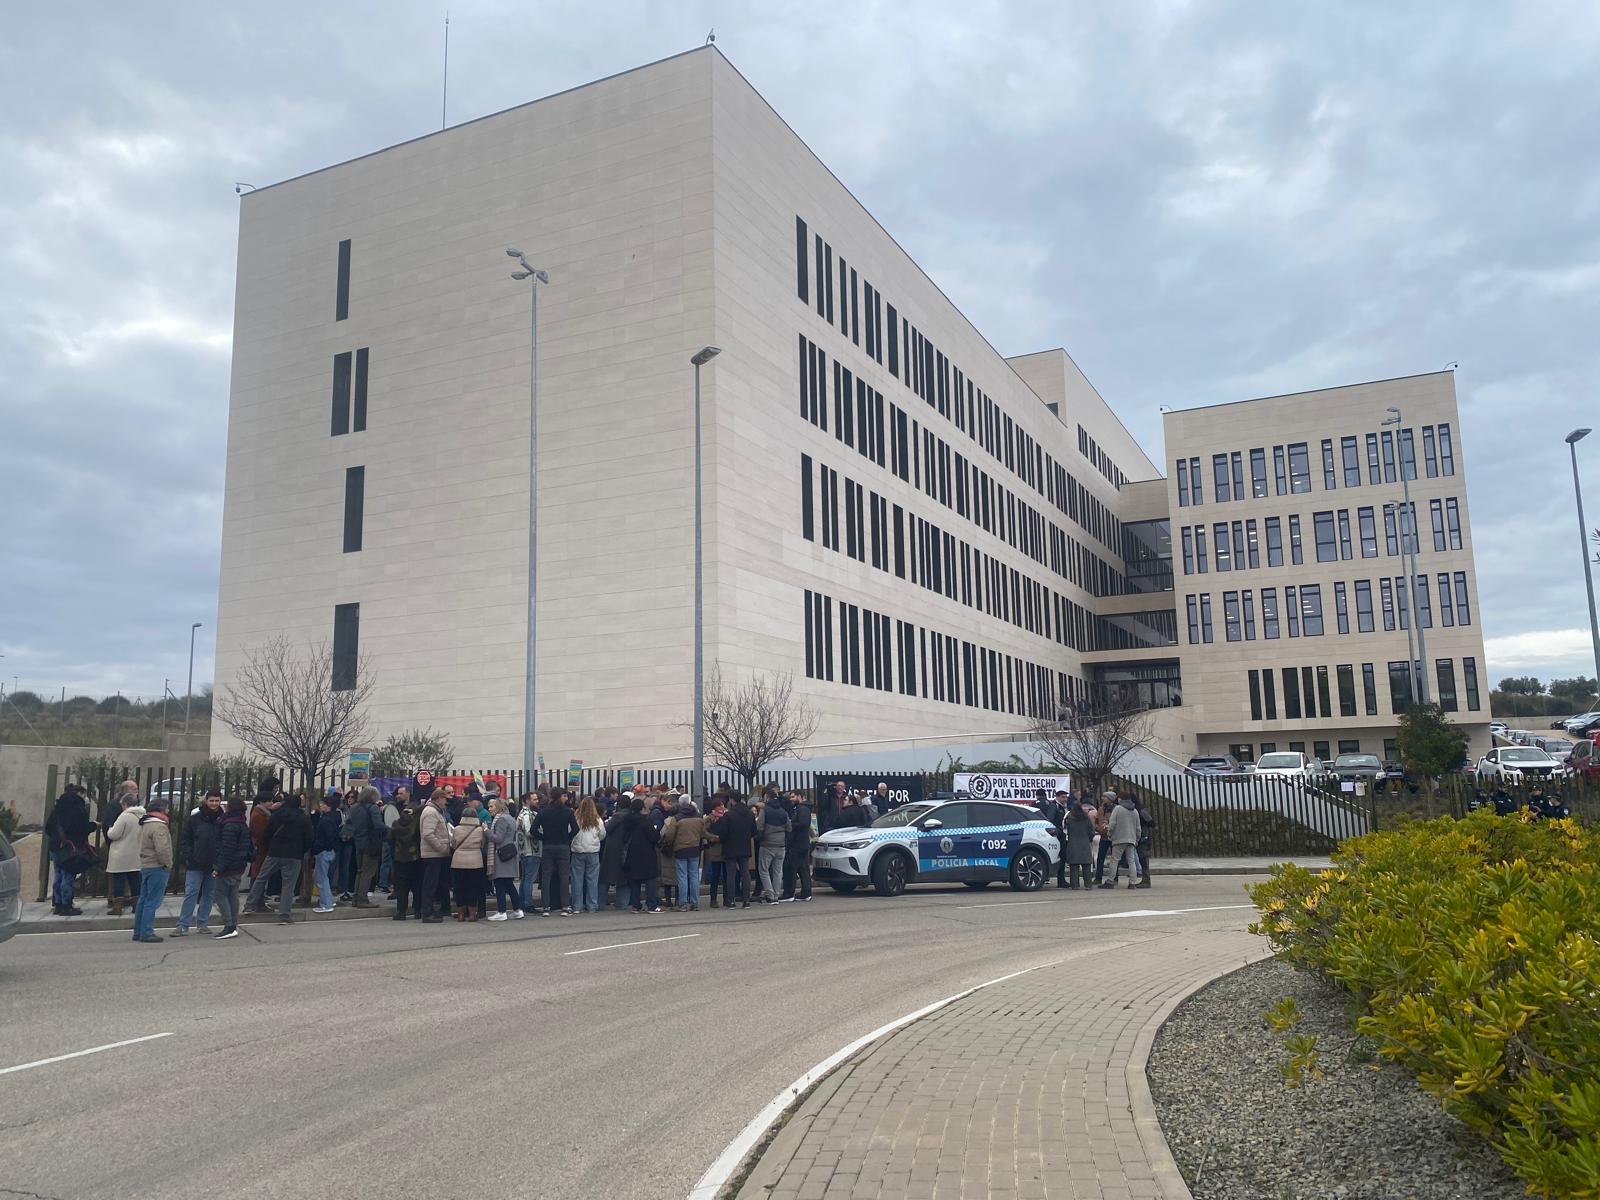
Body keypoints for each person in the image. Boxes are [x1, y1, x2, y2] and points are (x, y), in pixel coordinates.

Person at [246, 792, 312, 924]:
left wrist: (272, 846)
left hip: (274, 852)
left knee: (261, 878)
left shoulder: (276, 816)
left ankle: (250, 905)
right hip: (294, 854)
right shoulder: (304, 818)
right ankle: (284, 915)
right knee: (288, 885)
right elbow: (309, 838)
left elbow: (267, 834)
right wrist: (302, 851)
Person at [173, 787, 224, 936]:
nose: (214, 803)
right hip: (195, 863)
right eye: (211, 800)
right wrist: (190, 855)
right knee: (191, 893)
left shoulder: (223, 819)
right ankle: (183, 925)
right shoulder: (195, 819)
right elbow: (185, 839)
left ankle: (202, 923)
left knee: (209, 894)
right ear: (206, 801)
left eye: (217, 801)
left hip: (214, 864)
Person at [45, 782, 94, 916]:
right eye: (84, 795)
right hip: (70, 847)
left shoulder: (57, 808)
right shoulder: (78, 809)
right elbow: (83, 829)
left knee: (58, 875)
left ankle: (58, 904)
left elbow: (48, 828)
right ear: (80, 794)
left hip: (55, 846)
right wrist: (93, 826)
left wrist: (57, 837)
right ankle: (67, 905)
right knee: (68, 876)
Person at [131, 796, 174, 943]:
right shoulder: (159, 826)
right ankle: (147, 932)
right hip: (157, 866)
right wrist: (167, 864)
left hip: (146, 865)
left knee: (143, 899)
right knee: (153, 901)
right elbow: (162, 849)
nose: (169, 811)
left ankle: (138, 930)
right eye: (167, 808)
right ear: (161, 810)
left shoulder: (145, 824)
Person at [211, 797, 254, 939]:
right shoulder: (242, 823)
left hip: (228, 865)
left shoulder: (229, 824)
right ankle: (233, 924)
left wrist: (219, 867)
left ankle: (229, 925)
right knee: (233, 895)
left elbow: (227, 848)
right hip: (239, 865)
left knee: (220, 895)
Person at [534, 790, 578, 916]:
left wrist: (544, 837)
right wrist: (567, 837)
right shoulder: (568, 812)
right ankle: (565, 906)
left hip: (548, 846)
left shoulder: (543, 812)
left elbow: (533, 829)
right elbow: (575, 829)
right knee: (564, 877)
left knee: (546, 877)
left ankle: (546, 907)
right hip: (563, 846)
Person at [104, 785, 146, 917]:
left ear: (126, 804)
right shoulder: (143, 815)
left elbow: (114, 834)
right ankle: (136, 905)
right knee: (135, 879)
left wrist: (110, 829)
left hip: (121, 853)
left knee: (119, 880)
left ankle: (117, 907)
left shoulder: (124, 816)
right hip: (136, 852)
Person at [711, 794, 757, 910]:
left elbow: (723, 833)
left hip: (731, 847)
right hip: (745, 846)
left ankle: (731, 901)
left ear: (731, 800)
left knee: (731, 874)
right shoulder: (750, 814)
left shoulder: (729, 815)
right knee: (745, 873)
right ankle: (746, 900)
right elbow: (754, 831)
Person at [660, 799, 706, 912]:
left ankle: (683, 903)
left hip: (680, 850)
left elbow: (669, 836)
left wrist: (668, 843)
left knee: (682, 877)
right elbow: (703, 833)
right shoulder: (699, 818)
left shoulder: (677, 818)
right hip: (695, 849)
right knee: (694, 876)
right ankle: (695, 903)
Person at [620, 798, 662, 913]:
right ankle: (652, 905)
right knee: (650, 879)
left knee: (634, 880)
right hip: (646, 853)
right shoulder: (645, 821)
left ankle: (635, 905)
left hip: (632, 853)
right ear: (641, 808)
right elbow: (654, 837)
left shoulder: (627, 821)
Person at [485, 797, 522, 921]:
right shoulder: (510, 817)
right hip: (508, 854)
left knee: (500, 883)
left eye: (492, 806)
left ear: (499, 807)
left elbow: (498, 838)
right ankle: (517, 909)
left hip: (501, 855)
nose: (489, 809)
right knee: (508, 884)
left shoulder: (500, 819)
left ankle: (501, 911)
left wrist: (486, 831)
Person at [418, 790, 453, 923]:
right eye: (444, 799)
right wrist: (441, 847)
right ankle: (427, 912)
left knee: (434, 883)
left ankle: (431, 910)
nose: (446, 802)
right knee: (430, 884)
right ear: (438, 799)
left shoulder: (436, 811)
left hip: (435, 854)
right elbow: (428, 834)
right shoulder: (431, 812)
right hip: (432, 854)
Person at [345, 786, 383, 907]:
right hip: (370, 844)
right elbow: (378, 825)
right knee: (368, 872)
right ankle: (362, 899)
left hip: (358, 843)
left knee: (359, 871)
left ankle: (355, 898)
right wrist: (390, 830)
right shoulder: (373, 808)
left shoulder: (355, 808)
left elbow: (350, 824)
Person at [449, 802, 487, 921]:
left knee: (460, 888)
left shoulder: (457, 829)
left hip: (458, 861)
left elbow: (454, 844)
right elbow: (482, 844)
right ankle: (472, 914)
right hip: (475, 861)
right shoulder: (480, 830)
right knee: (472, 888)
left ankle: (460, 914)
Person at [570, 796, 606, 913]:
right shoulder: (597, 820)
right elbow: (602, 835)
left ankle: (577, 906)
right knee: (592, 880)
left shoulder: (575, 818)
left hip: (578, 851)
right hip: (593, 851)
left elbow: (570, 831)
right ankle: (592, 905)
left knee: (577, 880)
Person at [245, 778, 279, 897]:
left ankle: (259, 896)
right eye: (275, 788)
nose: (277, 791)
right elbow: (261, 833)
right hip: (261, 847)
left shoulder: (264, 813)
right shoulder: (260, 814)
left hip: (264, 847)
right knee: (259, 871)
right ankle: (256, 897)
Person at [389, 798, 422, 920]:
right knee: (417, 885)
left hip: (399, 858)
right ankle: (418, 910)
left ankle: (401, 912)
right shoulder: (416, 824)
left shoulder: (396, 824)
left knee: (401, 887)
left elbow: (390, 839)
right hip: (415, 858)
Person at [1102, 794, 1142, 889]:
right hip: (1131, 838)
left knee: (1114, 860)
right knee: (1131, 861)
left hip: (1119, 838)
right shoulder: (1134, 810)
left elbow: (1112, 824)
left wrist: (1109, 834)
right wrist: (1137, 839)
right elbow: (1138, 827)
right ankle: (1133, 882)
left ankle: (1110, 881)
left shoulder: (1118, 809)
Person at [310, 795, 343, 915]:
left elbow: (327, 837)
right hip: (331, 850)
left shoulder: (326, 820)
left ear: (329, 806)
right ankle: (328, 900)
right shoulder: (334, 817)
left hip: (324, 850)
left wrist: (317, 846)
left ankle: (326, 904)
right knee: (324, 877)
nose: (321, 806)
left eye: (323, 804)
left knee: (321, 878)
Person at [756, 793, 789, 905]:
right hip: (781, 845)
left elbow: (759, 826)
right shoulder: (783, 812)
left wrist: (760, 836)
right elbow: (789, 828)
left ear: (767, 798)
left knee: (763, 870)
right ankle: (776, 895)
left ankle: (769, 895)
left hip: (767, 844)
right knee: (778, 871)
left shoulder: (765, 810)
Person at [782, 791, 814, 902]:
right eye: (790, 797)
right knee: (803, 869)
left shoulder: (802, 809)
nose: (791, 799)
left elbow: (803, 824)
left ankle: (789, 893)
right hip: (802, 843)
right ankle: (806, 893)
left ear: (800, 797)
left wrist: (790, 824)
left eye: (793, 796)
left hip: (798, 844)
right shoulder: (800, 809)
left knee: (790, 868)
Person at [601, 799, 630, 911]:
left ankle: (600, 903)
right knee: (624, 879)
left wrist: (607, 823)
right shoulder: (631, 816)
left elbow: (608, 829)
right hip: (626, 848)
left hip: (613, 849)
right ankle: (622, 904)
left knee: (604, 878)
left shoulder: (618, 816)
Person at [1060, 800, 1095, 889]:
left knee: (1074, 866)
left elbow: (1064, 830)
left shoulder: (1069, 818)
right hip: (1085, 843)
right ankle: (1088, 885)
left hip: (1072, 843)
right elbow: (1091, 831)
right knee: (1086, 865)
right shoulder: (1086, 818)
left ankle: (1075, 885)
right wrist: (1088, 839)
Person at [517, 794, 542, 914]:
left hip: (524, 850)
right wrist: (542, 834)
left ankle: (522, 902)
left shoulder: (522, 814)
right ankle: (528, 903)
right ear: (527, 801)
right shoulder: (527, 815)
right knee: (529, 879)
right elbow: (529, 832)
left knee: (525, 878)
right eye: (534, 799)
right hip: (531, 850)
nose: (537, 801)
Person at [702, 795, 727, 909]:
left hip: (726, 848)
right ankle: (713, 899)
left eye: (722, 805)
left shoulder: (727, 816)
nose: (722, 807)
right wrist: (714, 837)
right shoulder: (709, 818)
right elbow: (704, 832)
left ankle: (727, 898)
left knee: (727, 876)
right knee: (715, 876)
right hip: (715, 849)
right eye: (719, 805)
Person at [1134, 796, 1155, 889]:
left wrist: (1146, 835)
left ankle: (1146, 881)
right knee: (1142, 859)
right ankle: (1145, 880)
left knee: (1144, 859)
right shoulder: (1139, 811)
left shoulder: (1141, 812)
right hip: (1142, 838)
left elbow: (1151, 823)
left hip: (1144, 839)